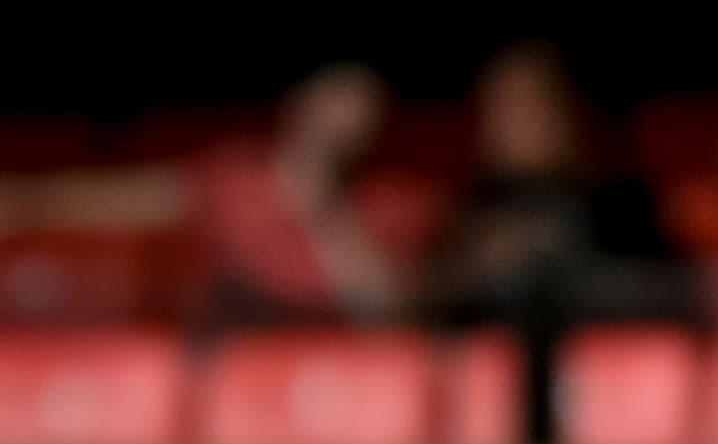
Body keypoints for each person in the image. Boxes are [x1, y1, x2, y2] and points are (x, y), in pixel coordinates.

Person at [0, 62, 433, 324]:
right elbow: (121, 200)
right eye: (332, 105)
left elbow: (383, 308)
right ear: (298, 105)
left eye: (360, 112)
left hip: (334, 343)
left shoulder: (393, 201)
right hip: (239, 335)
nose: (342, 124)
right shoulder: (232, 178)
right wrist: (24, 203)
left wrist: (326, 210)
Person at [429, 43, 686, 444]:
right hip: (489, 439)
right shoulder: (470, 206)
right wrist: (479, 268)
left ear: (566, 112)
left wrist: (561, 273)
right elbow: (422, 313)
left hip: (610, 417)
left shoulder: (619, 201)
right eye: (502, 106)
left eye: (532, 104)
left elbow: (673, 295)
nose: (518, 121)